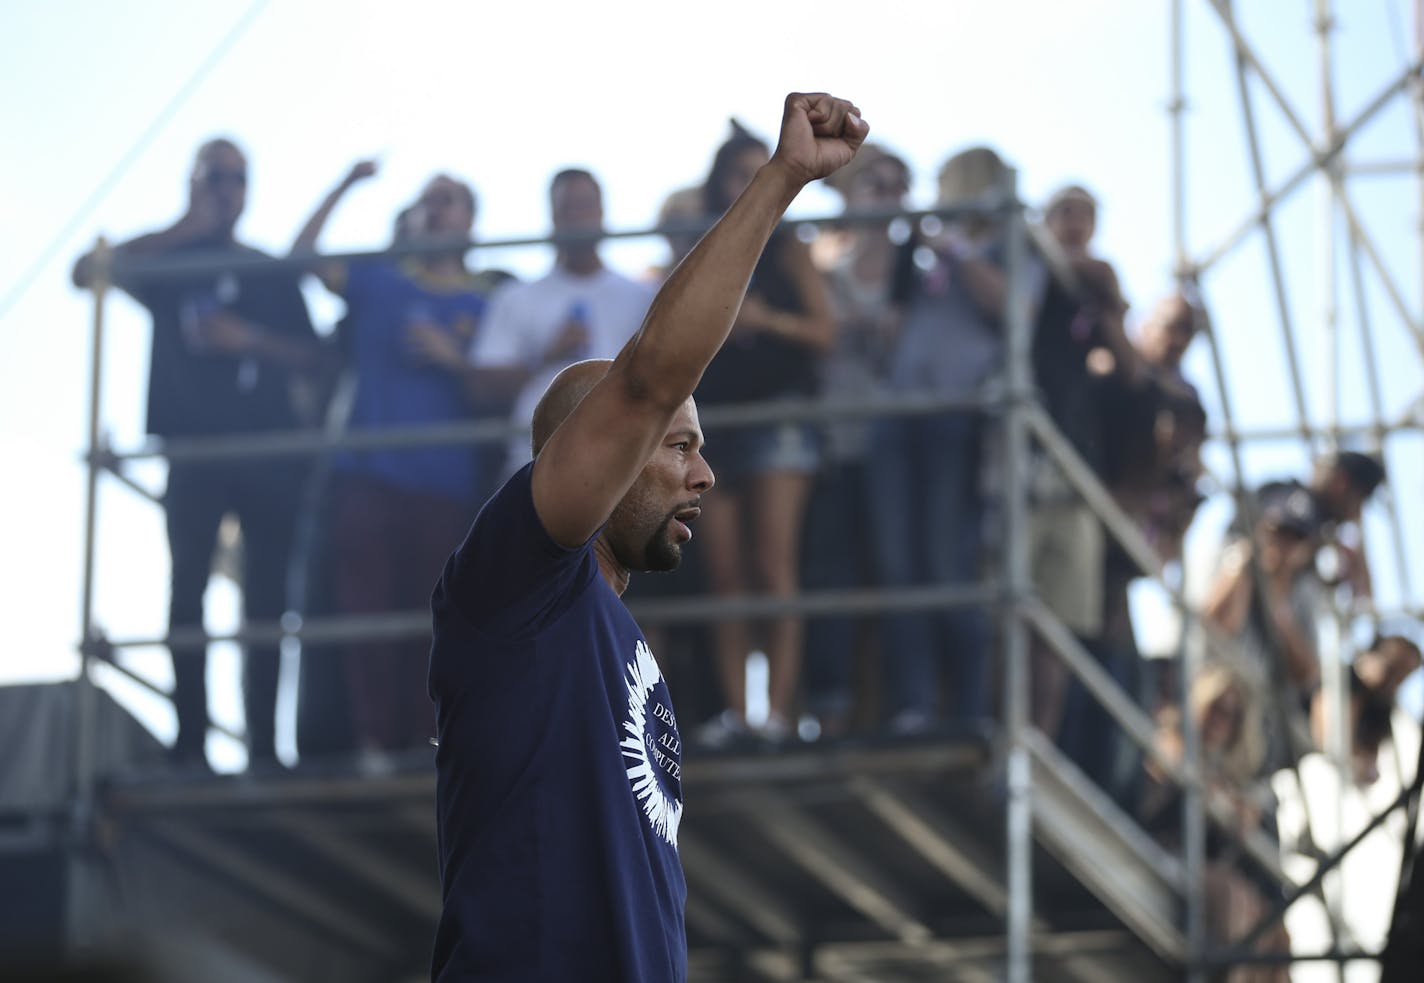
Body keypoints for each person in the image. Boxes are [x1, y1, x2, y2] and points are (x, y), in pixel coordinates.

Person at [427, 92, 867, 983]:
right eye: (678, 446)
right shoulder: (516, 582)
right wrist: (780, 182)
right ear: (597, 452)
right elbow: (647, 377)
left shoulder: (622, 640)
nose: (704, 475)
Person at [72, 138, 323, 769]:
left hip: (267, 454)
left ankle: (264, 749)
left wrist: (251, 340)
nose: (227, 189)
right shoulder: (170, 260)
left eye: (238, 178)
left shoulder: (266, 270)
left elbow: (317, 355)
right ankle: (191, 744)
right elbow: (86, 272)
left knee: (265, 604)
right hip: (193, 452)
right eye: (215, 176)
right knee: (187, 594)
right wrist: (185, 227)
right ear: (194, 181)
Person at [292, 164, 506, 757]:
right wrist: (344, 183)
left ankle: (423, 742)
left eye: (449, 201)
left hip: (446, 485)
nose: (436, 211)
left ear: (470, 221)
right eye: (428, 201)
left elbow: (508, 384)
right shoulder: (379, 282)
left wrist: (452, 358)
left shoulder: (491, 301)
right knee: (366, 619)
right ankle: (373, 743)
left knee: (433, 622)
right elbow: (302, 255)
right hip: (367, 479)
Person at [868, 145, 1044, 732]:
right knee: (900, 568)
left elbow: (1014, 308)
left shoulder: (1013, 244)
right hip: (896, 417)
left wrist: (956, 248)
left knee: (948, 564)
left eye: (949, 181)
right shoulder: (925, 255)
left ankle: (967, 710)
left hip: (955, 419)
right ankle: (913, 705)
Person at [692, 120, 836, 745]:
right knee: (725, 576)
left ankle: (776, 715)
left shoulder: (789, 248)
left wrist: (766, 320)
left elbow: (824, 332)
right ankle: (738, 714)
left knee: (773, 568)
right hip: (714, 422)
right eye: (738, 171)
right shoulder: (700, 245)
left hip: (780, 418)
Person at [800, 143, 912, 738]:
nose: (885, 194)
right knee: (832, 575)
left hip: (897, 449)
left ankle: (893, 711)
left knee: (895, 575)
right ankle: (831, 710)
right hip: (833, 444)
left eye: (897, 185)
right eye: (875, 183)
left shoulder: (919, 272)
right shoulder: (822, 264)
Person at [469, 168, 656, 479]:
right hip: (533, 464)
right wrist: (545, 356)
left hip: (623, 465)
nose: (577, 216)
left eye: (585, 205)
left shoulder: (643, 298)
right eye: (567, 207)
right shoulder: (515, 297)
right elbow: (480, 389)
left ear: (601, 212)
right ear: (552, 216)